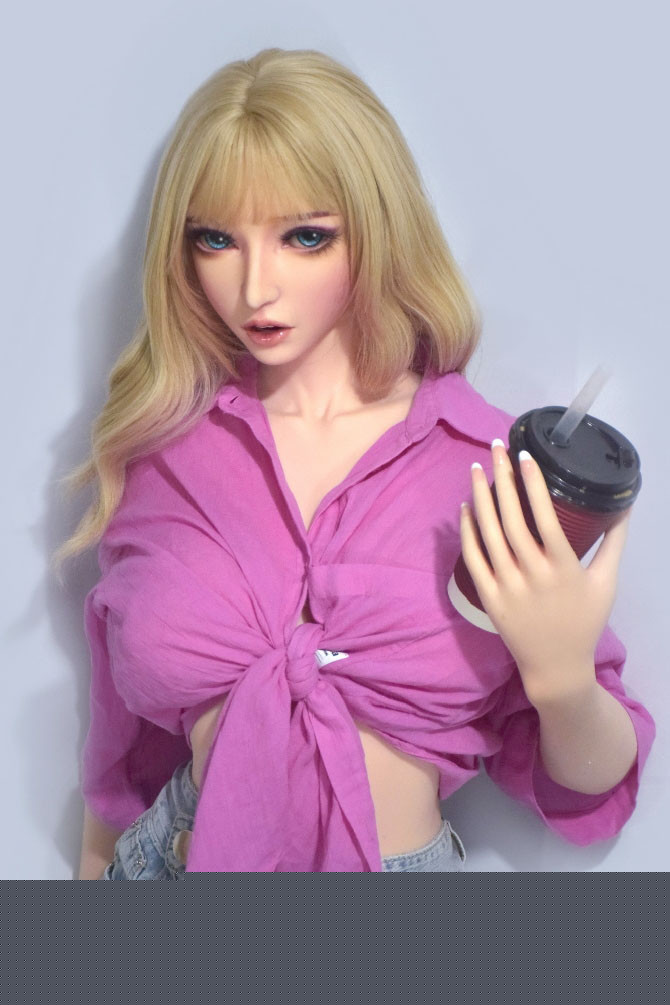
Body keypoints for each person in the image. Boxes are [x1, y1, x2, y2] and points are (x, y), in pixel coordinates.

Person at [53, 47, 655, 877]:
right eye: (216, 239)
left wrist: (561, 676)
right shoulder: (163, 454)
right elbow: (122, 760)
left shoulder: (484, 467)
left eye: (305, 236)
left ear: (374, 230)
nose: (255, 288)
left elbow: (593, 779)